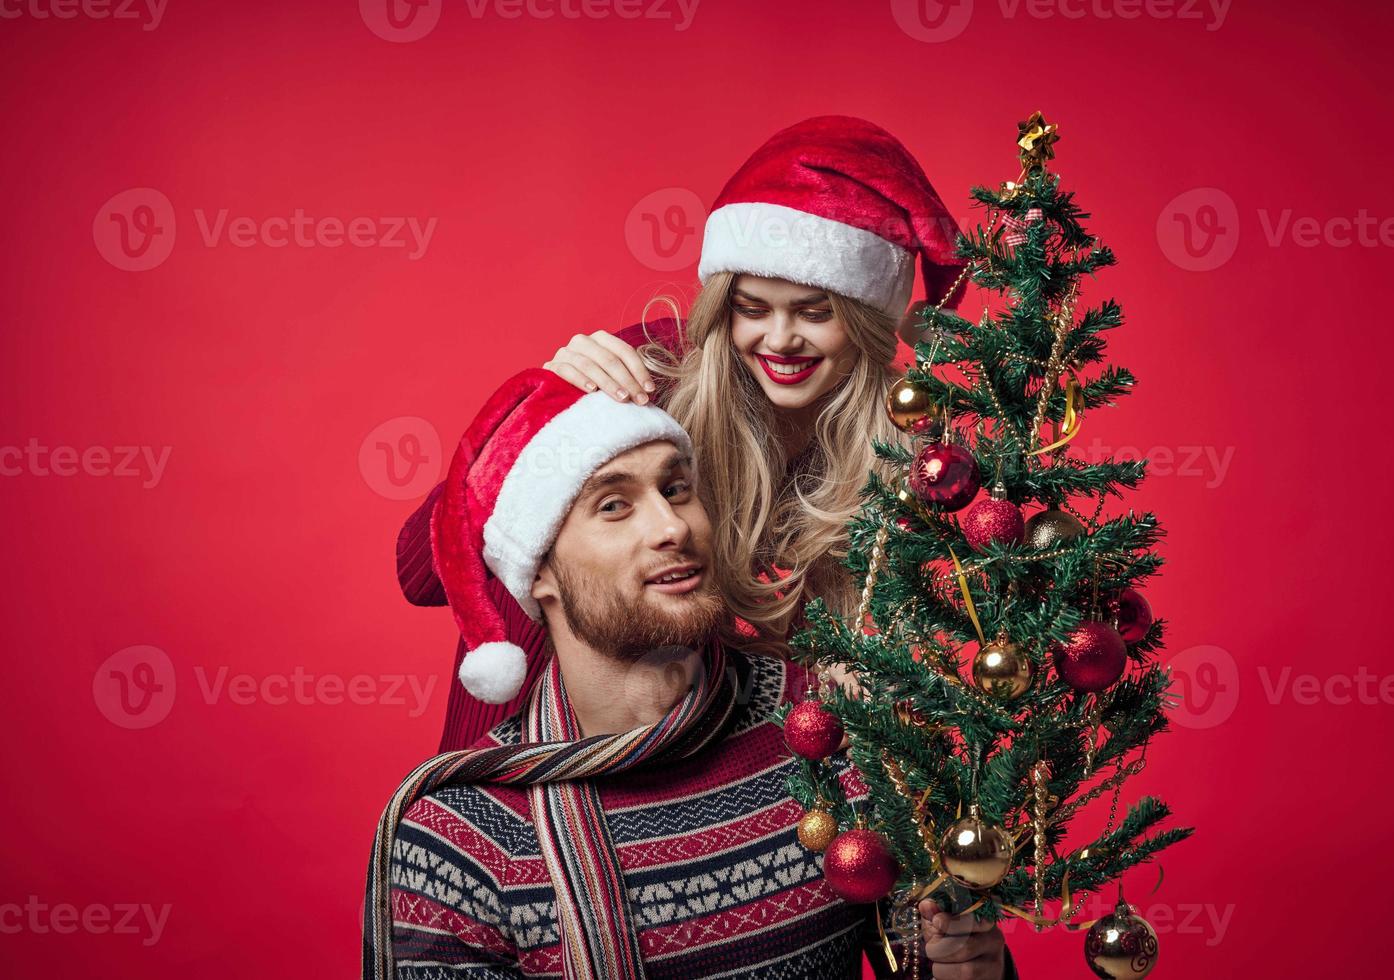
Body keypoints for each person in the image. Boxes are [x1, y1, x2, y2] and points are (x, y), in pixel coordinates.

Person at [365, 369, 1018, 980]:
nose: (672, 526)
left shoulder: (827, 730)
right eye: (614, 506)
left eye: (677, 489)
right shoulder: (459, 839)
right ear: (539, 570)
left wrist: (969, 965)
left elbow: (924, 954)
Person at [397, 115, 971, 751]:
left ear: (867, 322)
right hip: (527, 752)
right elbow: (418, 572)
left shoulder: (903, 444)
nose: (779, 340)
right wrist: (526, 422)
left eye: (814, 313)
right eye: (752, 309)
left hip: (710, 774)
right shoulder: (649, 373)